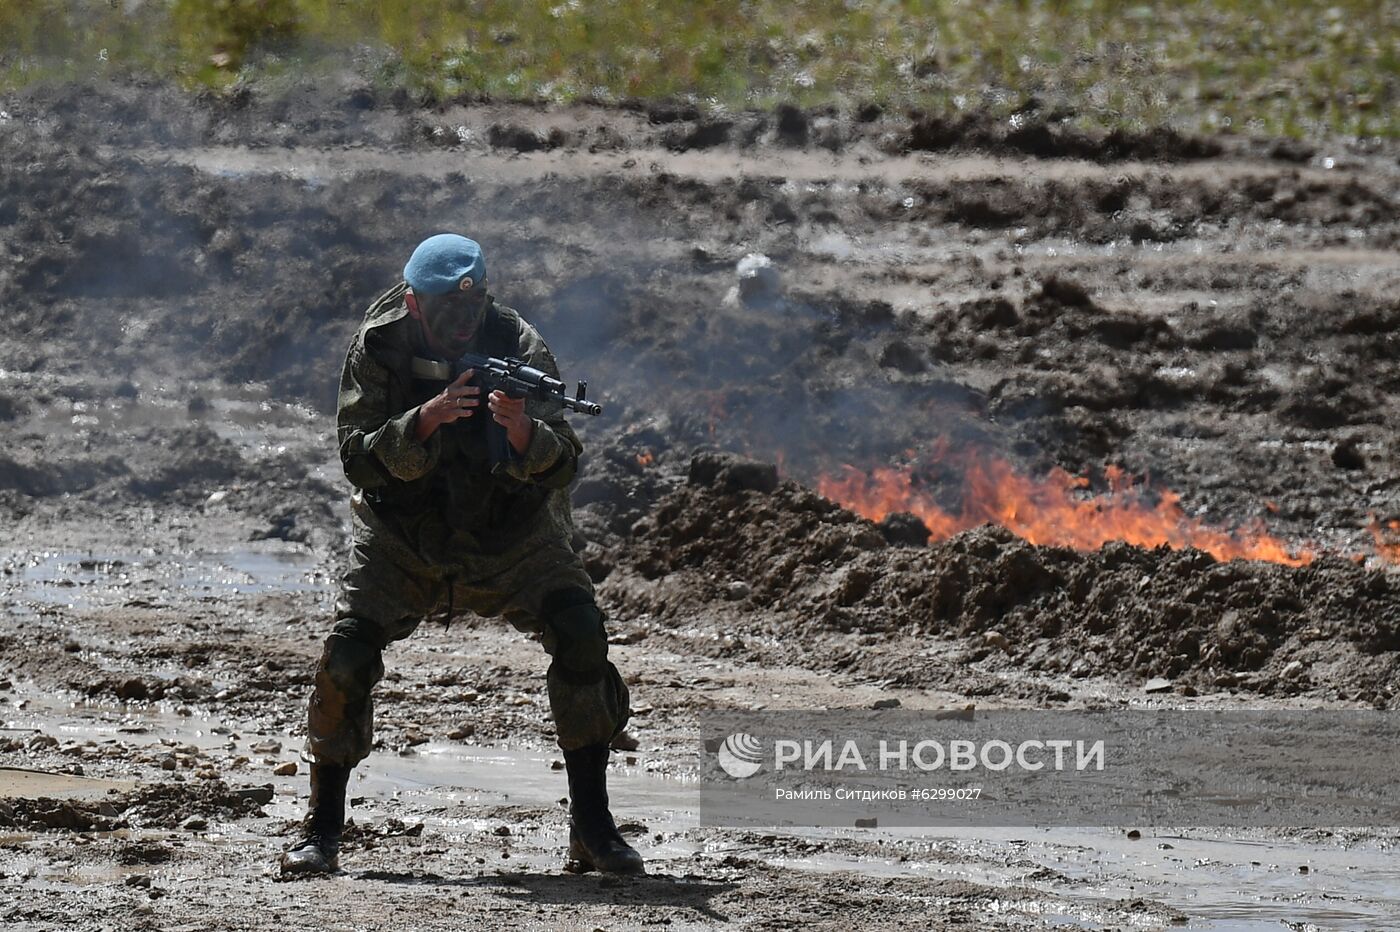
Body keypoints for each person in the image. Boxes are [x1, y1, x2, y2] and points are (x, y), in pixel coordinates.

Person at [280, 234, 642, 876]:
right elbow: (355, 457)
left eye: (469, 317)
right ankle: (322, 826)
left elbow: (565, 465)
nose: (459, 329)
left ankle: (593, 824)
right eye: (445, 316)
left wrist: (525, 433)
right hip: (404, 538)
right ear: (416, 305)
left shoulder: (517, 342)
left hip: (514, 535)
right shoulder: (381, 343)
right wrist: (424, 421)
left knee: (582, 636)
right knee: (348, 655)